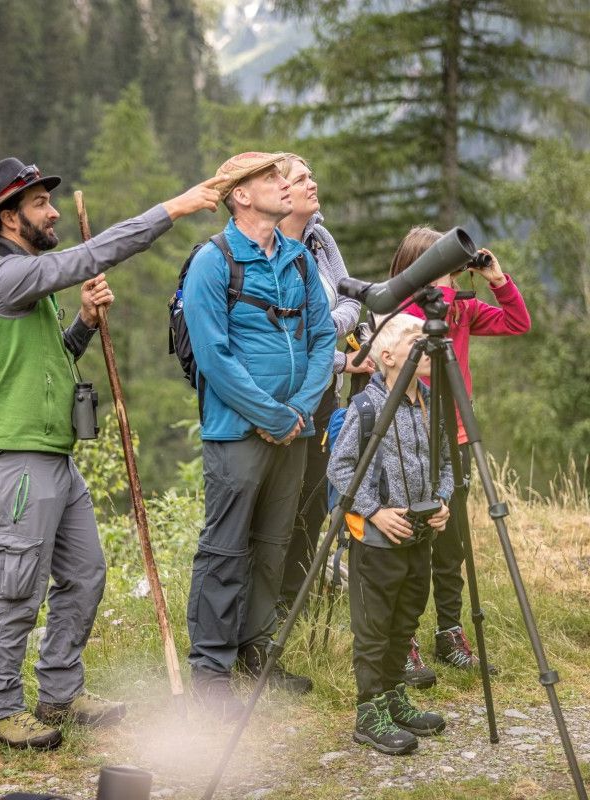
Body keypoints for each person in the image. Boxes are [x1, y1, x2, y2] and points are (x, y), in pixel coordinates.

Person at [0, 157, 224, 749]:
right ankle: (0, 711)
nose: (53, 211)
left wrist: (82, 323)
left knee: (85, 574)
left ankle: (59, 694)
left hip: (53, 456)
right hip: (18, 460)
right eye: (39, 204)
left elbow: (48, 362)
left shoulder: (29, 281)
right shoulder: (1, 278)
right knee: (17, 586)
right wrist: (175, 207)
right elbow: (91, 255)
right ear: (10, 218)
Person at [182, 151, 337, 722]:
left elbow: (324, 338)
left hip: (294, 427)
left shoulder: (298, 260)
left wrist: (298, 407)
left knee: (273, 543)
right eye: (270, 177)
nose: (282, 183)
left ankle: (256, 652)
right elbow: (214, 356)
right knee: (225, 546)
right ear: (240, 195)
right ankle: (210, 669)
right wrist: (270, 415)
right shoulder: (213, 261)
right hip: (237, 432)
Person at [390, 227, 531, 687]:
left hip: (457, 435)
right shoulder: (407, 309)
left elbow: (518, 322)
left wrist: (496, 278)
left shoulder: (462, 310)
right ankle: (401, 640)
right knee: (410, 536)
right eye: (444, 262)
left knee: (452, 540)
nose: (454, 271)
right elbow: (411, 322)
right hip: (411, 434)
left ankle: (449, 632)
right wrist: (442, 287)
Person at [327, 313, 452, 755]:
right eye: (415, 338)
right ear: (386, 356)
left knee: (406, 618)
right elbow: (339, 468)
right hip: (378, 542)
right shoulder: (366, 408)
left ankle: (395, 694)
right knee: (374, 627)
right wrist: (374, 512)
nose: (426, 343)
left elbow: (446, 464)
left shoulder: (431, 402)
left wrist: (443, 501)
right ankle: (369, 710)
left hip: (420, 537)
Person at [274, 152, 374, 616]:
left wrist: (322, 335)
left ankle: (296, 601)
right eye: (301, 178)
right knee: (280, 505)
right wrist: (338, 357)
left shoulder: (320, 239)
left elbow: (350, 298)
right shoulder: (267, 248)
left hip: (323, 397)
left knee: (314, 501)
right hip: (286, 393)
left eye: (312, 175)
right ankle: (268, 609)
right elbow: (280, 336)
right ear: (280, 192)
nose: (313, 183)